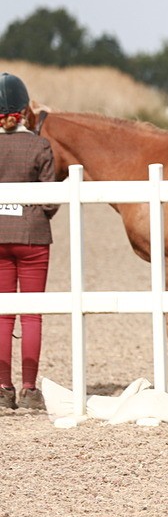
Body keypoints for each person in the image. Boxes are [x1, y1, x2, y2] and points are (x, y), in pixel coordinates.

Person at [0, 73, 58, 411]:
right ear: (26, 111)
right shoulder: (39, 146)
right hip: (33, 237)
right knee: (32, 314)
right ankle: (29, 389)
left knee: (3, 315)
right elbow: (50, 202)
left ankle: (3, 389)